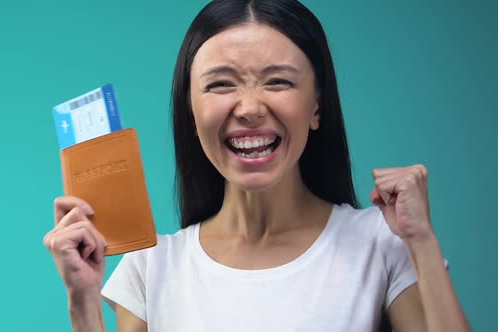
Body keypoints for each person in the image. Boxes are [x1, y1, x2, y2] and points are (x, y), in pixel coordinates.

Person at [44, 1, 471, 331]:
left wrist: (421, 241)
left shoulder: (381, 243)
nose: (249, 108)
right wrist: (83, 303)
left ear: (317, 106)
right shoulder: (151, 266)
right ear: (191, 115)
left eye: (279, 81)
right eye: (221, 84)